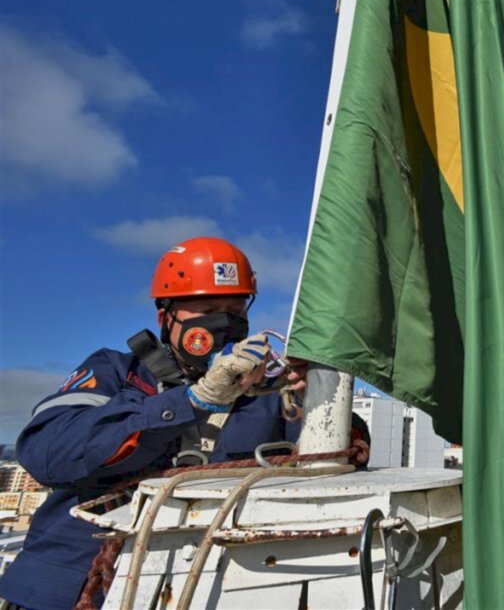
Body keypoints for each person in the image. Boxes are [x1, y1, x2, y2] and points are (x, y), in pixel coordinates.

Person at [0, 237, 369, 610]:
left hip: (204, 586)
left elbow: (344, 453)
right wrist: (191, 400)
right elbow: (46, 453)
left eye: (236, 312)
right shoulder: (115, 373)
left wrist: (318, 396)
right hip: (77, 586)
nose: (226, 323)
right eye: (208, 308)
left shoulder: (266, 396)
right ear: (165, 317)